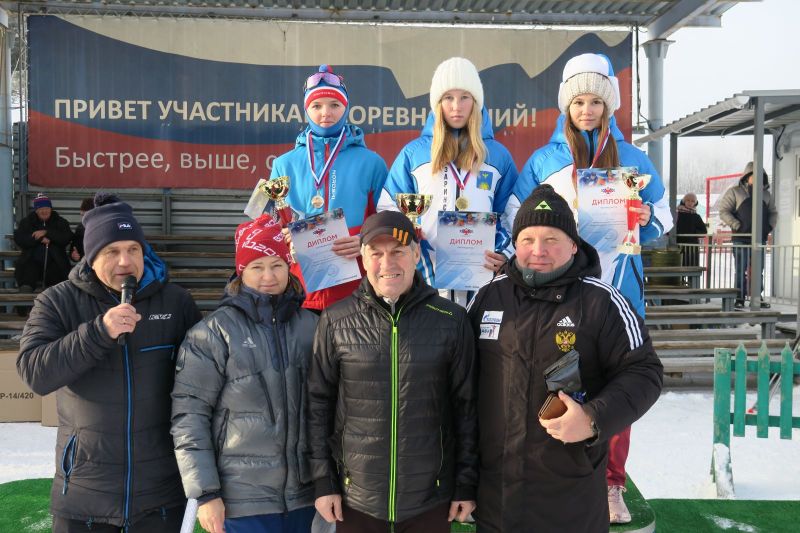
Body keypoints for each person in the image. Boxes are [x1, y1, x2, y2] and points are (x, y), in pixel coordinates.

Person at [512, 52, 672, 523]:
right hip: (561, 292)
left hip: (619, 288)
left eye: (596, 102)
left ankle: (611, 484)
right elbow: (515, 218)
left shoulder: (634, 159)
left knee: (615, 387)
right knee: (553, 380)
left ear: (609, 106)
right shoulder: (544, 160)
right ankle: (550, 475)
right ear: (567, 105)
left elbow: (663, 216)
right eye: (578, 101)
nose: (587, 110)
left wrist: (647, 217)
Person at [467, 185, 663, 532]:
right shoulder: (488, 297)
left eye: (551, 239)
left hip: (571, 502)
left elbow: (644, 372)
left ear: (573, 245)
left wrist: (592, 419)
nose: (538, 250)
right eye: (527, 239)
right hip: (497, 502)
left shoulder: (603, 302)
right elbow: (461, 380)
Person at [16, 193, 202, 532]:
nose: (125, 261)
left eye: (133, 249)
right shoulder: (57, 302)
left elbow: (202, 383)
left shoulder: (176, 302)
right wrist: (98, 332)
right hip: (83, 495)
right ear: (91, 256)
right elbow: (35, 372)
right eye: (111, 251)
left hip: (161, 494)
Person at [308, 211, 478, 532]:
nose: (387, 263)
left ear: (415, 255)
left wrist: (465, 483)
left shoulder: (451, 320)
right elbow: (319, 405)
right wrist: (324, 482)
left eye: (398, 251)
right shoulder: (335, 320)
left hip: (429, 497)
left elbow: (466, 407)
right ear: (363, 259)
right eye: (376, 253)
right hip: (355, 498)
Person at [171, 214, 317, 533]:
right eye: (257, 266)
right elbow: (189, 416)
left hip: (306, 498)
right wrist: (206, 493)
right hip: (242, 502)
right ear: (241, 271)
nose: (268, 276)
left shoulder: (312, 327)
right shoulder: (212, 333)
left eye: (276, 265)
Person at [379, 57, 517, 306]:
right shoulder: (414, 154)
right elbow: (389, 209)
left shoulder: (497, 156)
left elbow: (511, 214)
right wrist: (409, 241)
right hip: (425, 279)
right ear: (437, 103)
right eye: (448, 98)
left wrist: (504, 251)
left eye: (465, 97)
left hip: (482, 280)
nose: (456, 106)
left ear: (476, 102)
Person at [269, 64, 388, 312]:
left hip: (356, 292)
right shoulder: (284, 164)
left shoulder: (372, 163)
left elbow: (387, 221)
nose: (326, 113)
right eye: (316, 106)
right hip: (299, 292)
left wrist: (364, 241)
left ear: (346, 108)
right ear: (306, 109)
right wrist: (284, 238)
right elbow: (270, 226)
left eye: (334, 105)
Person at [718, 162, 777, 308]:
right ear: (747, 176)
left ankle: (757, 298)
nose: (758, 178)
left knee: (758, 270)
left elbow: (773, 213)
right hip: (741, 239)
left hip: (759, 239)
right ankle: (739, 297)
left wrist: (768, 227)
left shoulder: (766, 195)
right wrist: (736, 225)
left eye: (761, 176)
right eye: (754, 175)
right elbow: (724, 211)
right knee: (740, 270)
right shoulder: (735, 192)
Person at [13, 193, 73, 291]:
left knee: (57, 271)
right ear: (36, 210)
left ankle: (54, 291)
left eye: (47, 208)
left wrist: (47, 233)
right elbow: (20, 239)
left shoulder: (60, 221)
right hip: (31, 259)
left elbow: (66, 237)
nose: (44, 211)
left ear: (51, 209)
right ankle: (26, 289)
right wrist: (39, 239)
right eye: (41, 209)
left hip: (55, 260)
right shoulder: (27, 222)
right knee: (28, 268)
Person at [675, 193, 707, 267]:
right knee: (679, 266)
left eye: (692, 201)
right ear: (684, 201)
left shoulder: (696, 216)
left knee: (692, 267)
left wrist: (693, 233)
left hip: (692, 247)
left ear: (695, 203)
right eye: (688, 200)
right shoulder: (676, 214)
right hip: (678, 246)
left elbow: (704, 231)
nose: (690, 203)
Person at [70, 196, 95, 262]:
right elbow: (74, 248)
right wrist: (74, 255)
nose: (83, 220)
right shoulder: (80, 228)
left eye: (86, 216)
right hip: (85, 265)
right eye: (82, 216)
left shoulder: (105, 229)